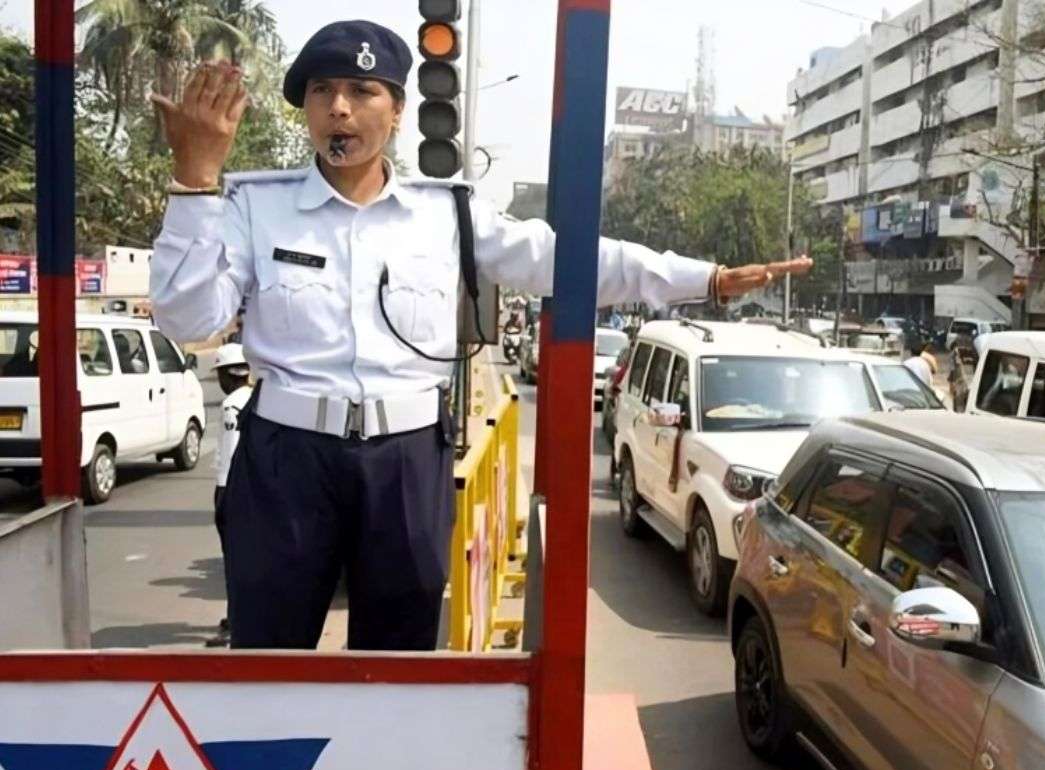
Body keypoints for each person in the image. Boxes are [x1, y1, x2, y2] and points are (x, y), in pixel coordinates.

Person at [148, 20, 812, 651]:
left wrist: (709, 279)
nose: (339, 110)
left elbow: (576, 261)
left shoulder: (448, 215)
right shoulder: (250, 205)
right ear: (305, 111)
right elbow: (189, 320)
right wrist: (195, 178)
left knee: (398, 666)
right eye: (321, 92)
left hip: (405, 462)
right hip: (286, 460)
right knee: (268, 665)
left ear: (398, 109)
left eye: (360, 91)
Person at [207, 342, 253, 647]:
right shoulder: (254, 397)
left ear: (226, 374)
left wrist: (223, 493)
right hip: (252, 487)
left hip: (230, 487)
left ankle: (237, 621)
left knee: (233, 560)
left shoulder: (231, 405)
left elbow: (230, 449)